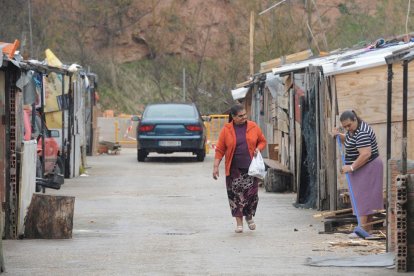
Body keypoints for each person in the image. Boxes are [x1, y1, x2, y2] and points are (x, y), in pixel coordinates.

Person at [212, 104, 267, 233]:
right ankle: (239, 223)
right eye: (240, 116)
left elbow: (262, 141)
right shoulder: (226, 129)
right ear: (233, 117)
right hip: (234, 170)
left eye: (245, 115)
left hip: (251, 169)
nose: (244, 118)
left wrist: (258, 148)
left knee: (251, 196)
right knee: (236, 197)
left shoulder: (253, 126)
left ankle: (249, 216)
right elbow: (220, 149)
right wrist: (216, 166)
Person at [332, 110, 383, 234]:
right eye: (345, 127)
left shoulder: (362, 132)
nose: (347, 129)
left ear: (355, 119)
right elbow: (350, 141)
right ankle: (367, 229)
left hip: (368, 167)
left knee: (363, 198)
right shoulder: (353, 130)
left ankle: (362, 229)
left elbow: (365, 154)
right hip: (363, 167)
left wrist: (351, 167)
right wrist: (339, 135)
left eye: (349, 125)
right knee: (364, 198)